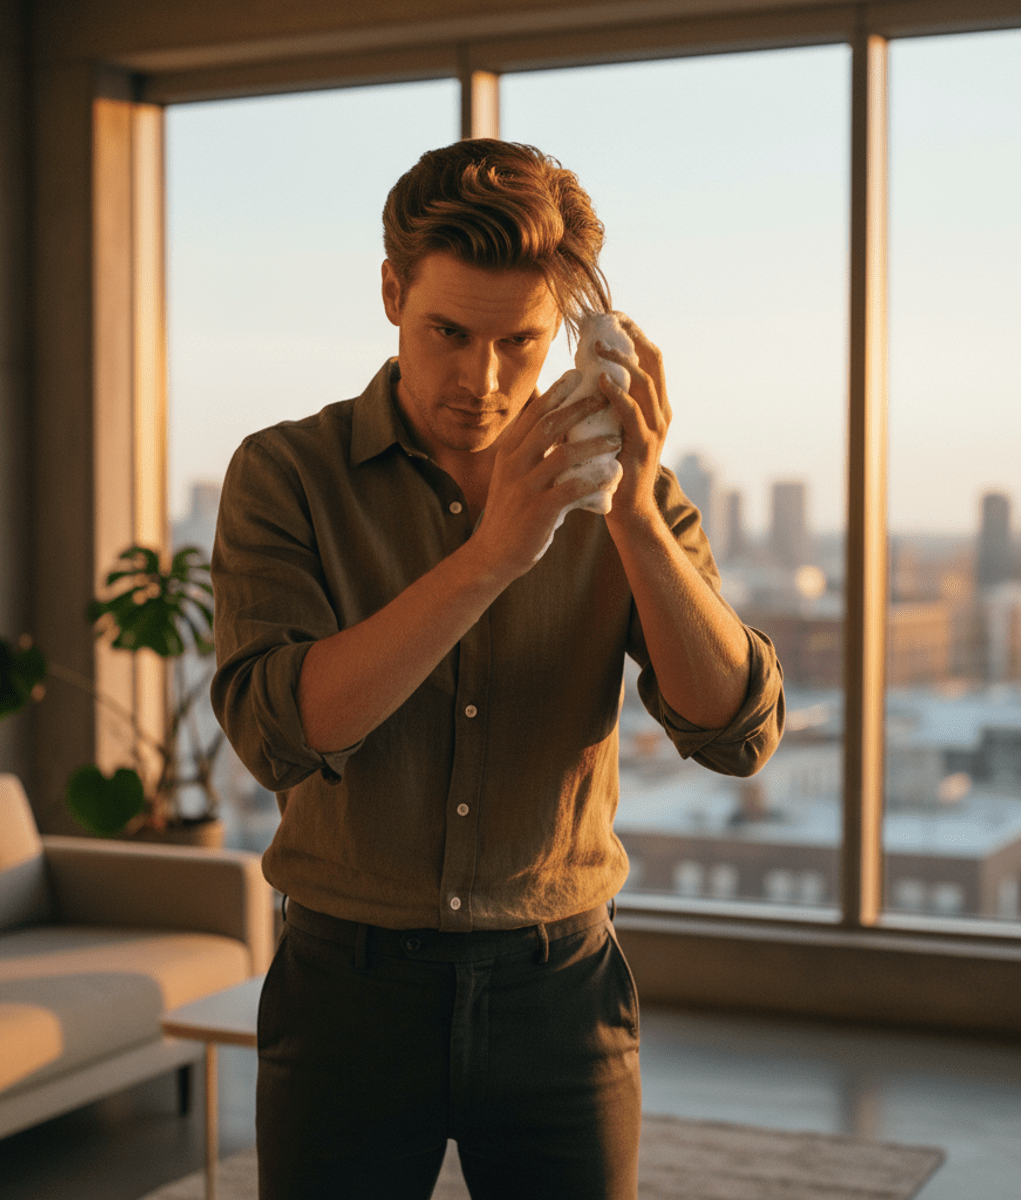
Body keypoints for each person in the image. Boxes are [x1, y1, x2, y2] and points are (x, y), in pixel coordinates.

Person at [211, 138, 784, 1200]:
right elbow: (278, 733)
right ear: (391, 292)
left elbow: (736, 732)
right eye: (448, 333)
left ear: (570, 333)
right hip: (348, 997)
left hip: (558, 997)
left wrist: (633, 519)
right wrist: (493, 557)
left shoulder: (626, 492)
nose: (481, 380)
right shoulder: (283, 474)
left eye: (521, 342)